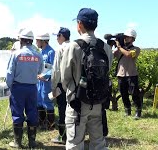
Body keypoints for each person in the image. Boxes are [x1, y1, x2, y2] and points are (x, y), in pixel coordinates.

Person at [60, 8, 113, 150]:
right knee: (98, 143)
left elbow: (65, 78)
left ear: (80, 24)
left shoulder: (73, 46)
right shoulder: (105, 48)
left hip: (77, 102)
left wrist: (72, 91)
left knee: (75, 143)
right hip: (99, 102)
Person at [6, 29, 43, 149]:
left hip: (18, 87)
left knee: (17, 113)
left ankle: (17, 142)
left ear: (21, 40)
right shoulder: (38, 55)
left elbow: (9, 73)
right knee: (32, 112)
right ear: (31, 41)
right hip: (32, 88)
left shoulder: (16, 54)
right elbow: (40, 71)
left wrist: (10, 87)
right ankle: (32, 142)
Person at [49, 27, 71, 144]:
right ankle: (74, 135)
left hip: (62, 84)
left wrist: (53, 87)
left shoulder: (60, 49)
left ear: (62, 36)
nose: (57, 39)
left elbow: (56, 70)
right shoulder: (75, 47)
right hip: (74, 84)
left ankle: (63, 137)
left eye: (58, 36)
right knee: (73, 109)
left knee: (62, 110)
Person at [114, 29, 141, 119]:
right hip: (121, 75)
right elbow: (113, 55)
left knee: (134, 94)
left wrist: (119, 47)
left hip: (132, 74)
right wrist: (114, 45)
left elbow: (128, 54)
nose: (125, 38)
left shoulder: (136, 49)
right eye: (124, 37)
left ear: (133, 39)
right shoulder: (120, 50)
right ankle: (127, 110)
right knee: (123, 93)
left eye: (127, 37)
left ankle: (138, 111)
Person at [35, 32, 55, 130]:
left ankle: (50, 125)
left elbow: (53, 68)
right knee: (39, 100)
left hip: (47, 81)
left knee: (47, 101)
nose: (36, 42)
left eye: (37, 40)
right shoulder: (40, 52)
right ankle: (41, 122)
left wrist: (45, 75)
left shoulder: (51, 52)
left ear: (43, 41)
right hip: (39, 81)